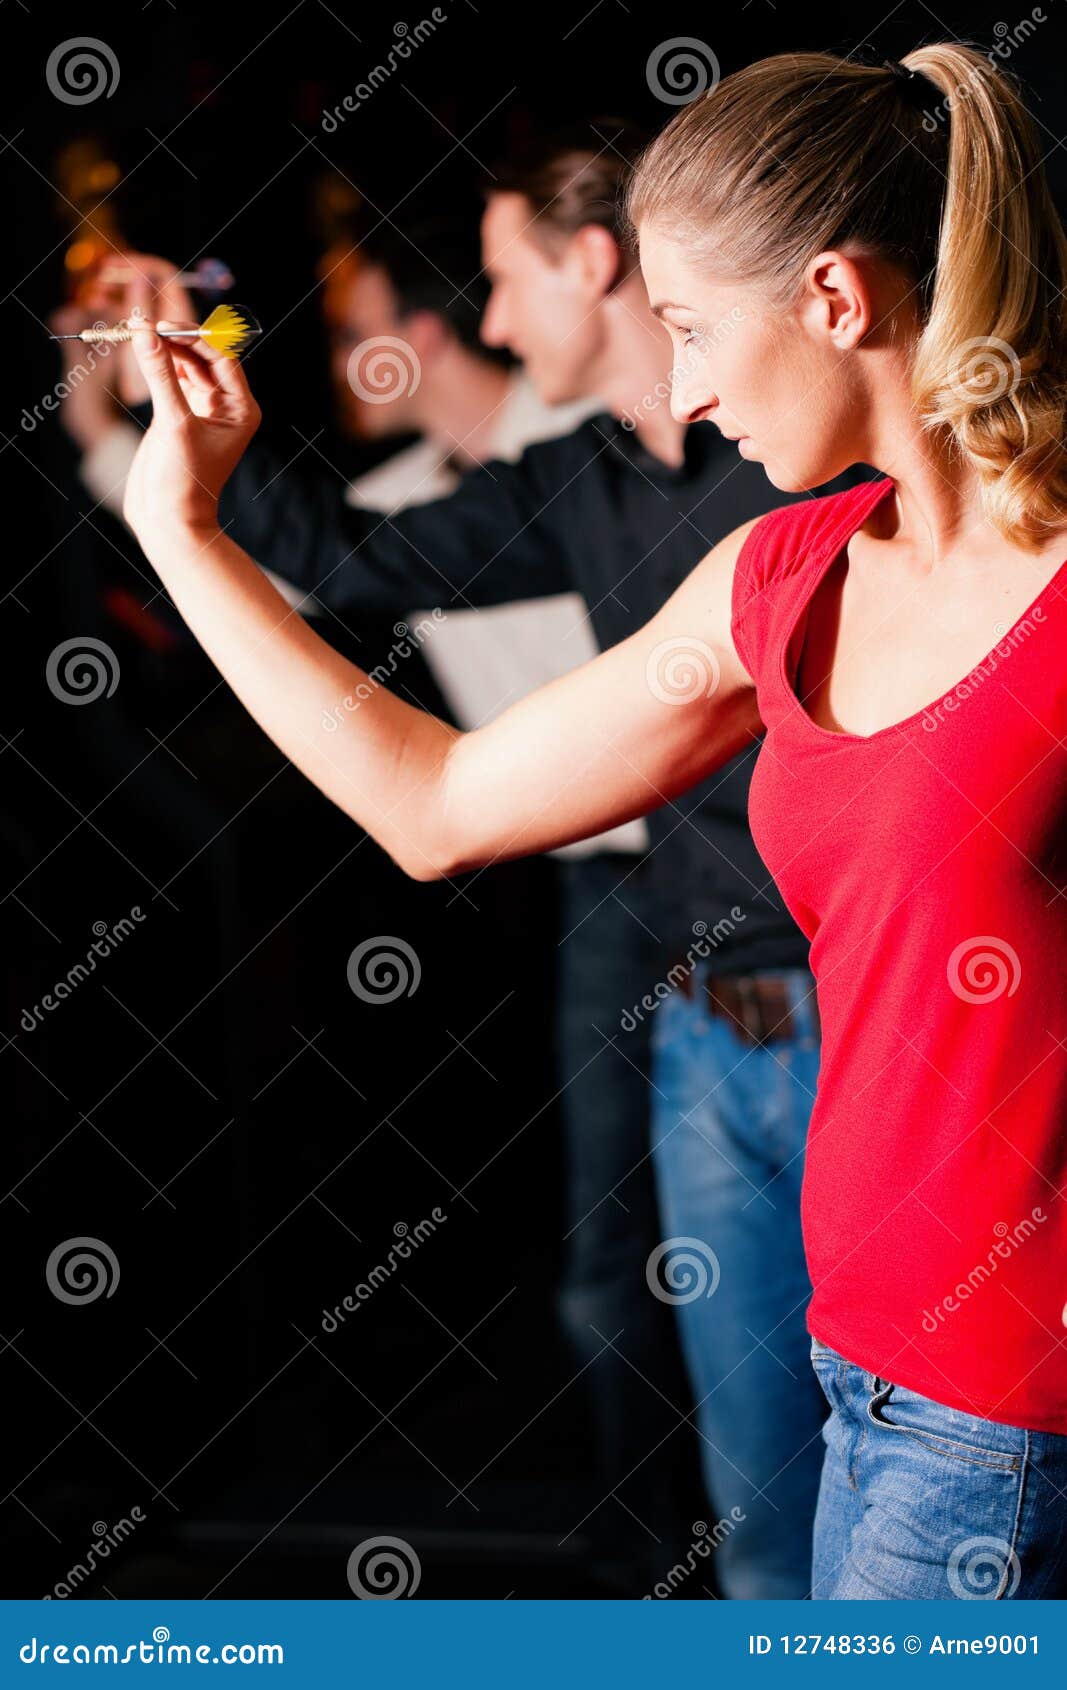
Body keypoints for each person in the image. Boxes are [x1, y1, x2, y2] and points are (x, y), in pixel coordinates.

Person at [112, 41, 1067, 1598]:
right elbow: (436, 803)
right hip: (866, 1372)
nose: (680, 389)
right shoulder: (780, 576)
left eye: (694, 331)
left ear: (836, 299)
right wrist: (183, 527)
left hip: (1004, 1414)